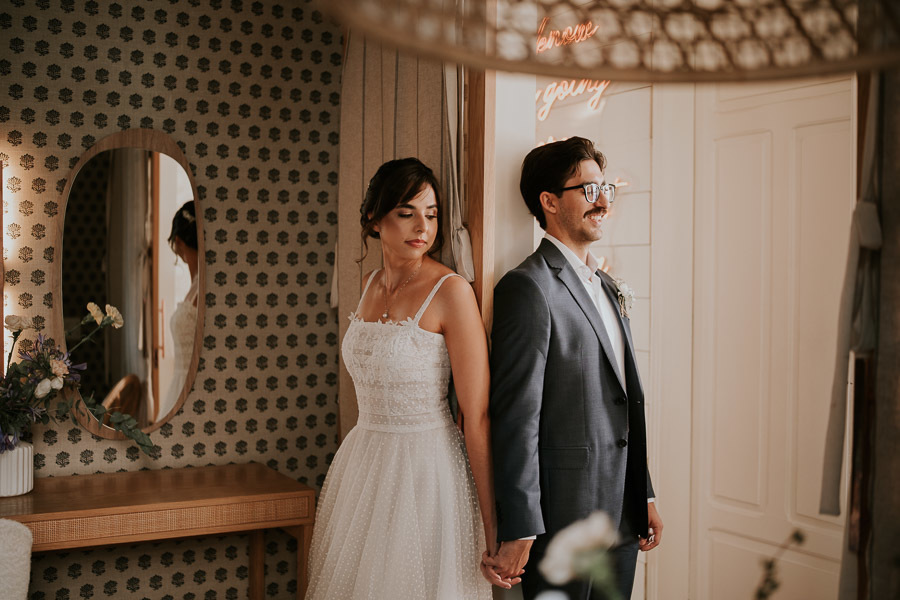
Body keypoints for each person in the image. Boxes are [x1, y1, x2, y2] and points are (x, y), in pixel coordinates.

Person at [306, 158, 513, 599]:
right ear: (374, 219)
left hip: (426, 470)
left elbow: (476, 415)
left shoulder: (451, 292)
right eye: (407, 212)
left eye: (432, 214)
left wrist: (493, 526)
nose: (423, 226)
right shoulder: (367, 282)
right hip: (363, 464)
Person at [485, 137, 663, 599]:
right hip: (563, 521)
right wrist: (521, 525)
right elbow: (517, 416)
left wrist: (643, 494)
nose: (603, 201)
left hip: (623, 513)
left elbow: (624, 398)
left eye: (605, 188)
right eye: (588, 190)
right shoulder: (528, 288)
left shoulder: (607, 286)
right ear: (548, 201)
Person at [163, 200, 198, 417]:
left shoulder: (201, 287)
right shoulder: (196, 285)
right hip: (181, 386)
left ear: (177, 241)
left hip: (187, 386)